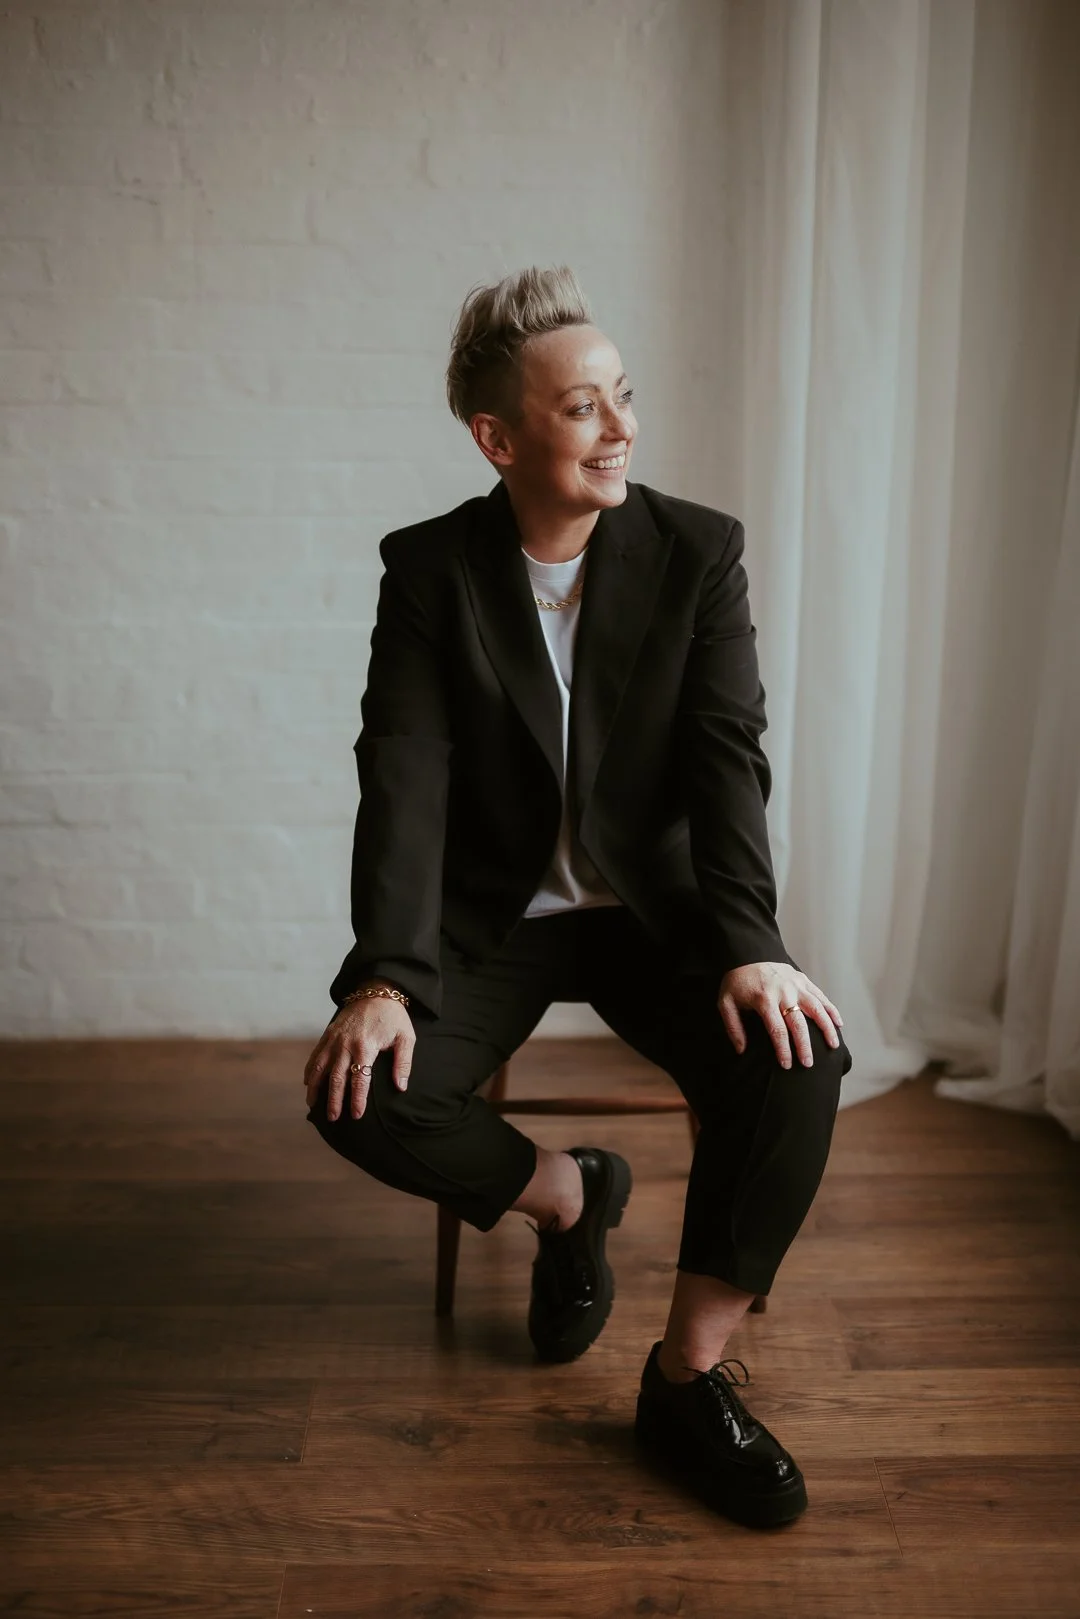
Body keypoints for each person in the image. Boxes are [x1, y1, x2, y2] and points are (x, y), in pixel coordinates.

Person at [303, 265, 853, 1529]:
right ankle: (569, 1195)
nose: (623, 429)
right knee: (355, 1091)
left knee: (799, 1056)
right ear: (499, 438)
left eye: (625, 398)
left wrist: (753, 946)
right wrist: (385, 976)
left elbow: (727, 760)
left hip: (652, 915)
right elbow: (405, 774)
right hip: (493, 919)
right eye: (584, 408)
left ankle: (686, 1381)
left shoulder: (695, 551)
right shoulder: (431, 571)